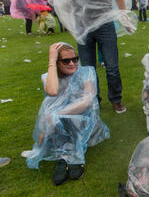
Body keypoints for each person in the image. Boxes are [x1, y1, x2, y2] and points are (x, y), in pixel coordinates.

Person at [49, 0, 137, 114]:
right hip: (81, 23)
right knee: (88, 68)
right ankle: (93, 100)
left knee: (112, 65)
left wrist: (123, 16)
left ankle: (116, 99)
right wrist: (67, 17)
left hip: (104, 22)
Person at [26, 42, 110, 186]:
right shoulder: (48, 76)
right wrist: (52, 61)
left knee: (54, 117)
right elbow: (52, 91)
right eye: (66, 61)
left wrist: (58, 114)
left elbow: (87, 102)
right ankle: (66, 156)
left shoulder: (86, 72)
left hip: (82, 120)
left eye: (75, 59)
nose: (72, 63)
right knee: (52, 117)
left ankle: (69, 156)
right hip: (57, 125)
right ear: (57, 62)